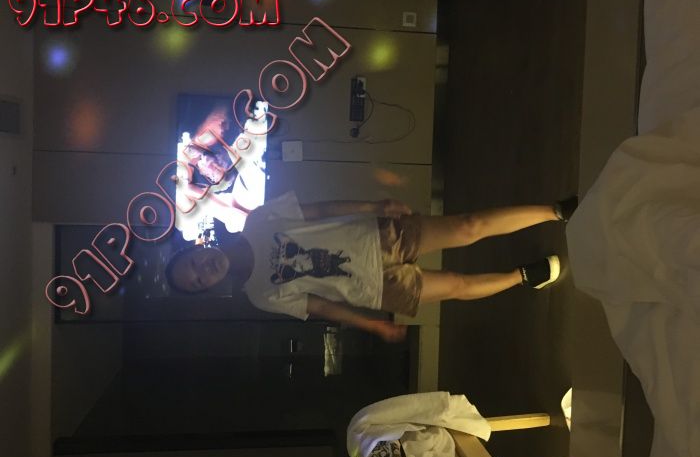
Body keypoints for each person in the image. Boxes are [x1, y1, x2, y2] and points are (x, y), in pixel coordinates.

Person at [165, 192, 577, 342]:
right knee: (455, 285)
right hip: (375, 289)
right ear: (208, 289)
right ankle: (525, 276)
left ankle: (555, 211)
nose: (205, 269)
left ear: (198, 247)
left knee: (467, 227)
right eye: (199, 281)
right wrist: (372, 325)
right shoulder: (259, 295)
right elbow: (320, 307)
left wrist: (374, 205)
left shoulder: (258, 220)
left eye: (194, 263)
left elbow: (319, 210)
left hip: (378, 237)